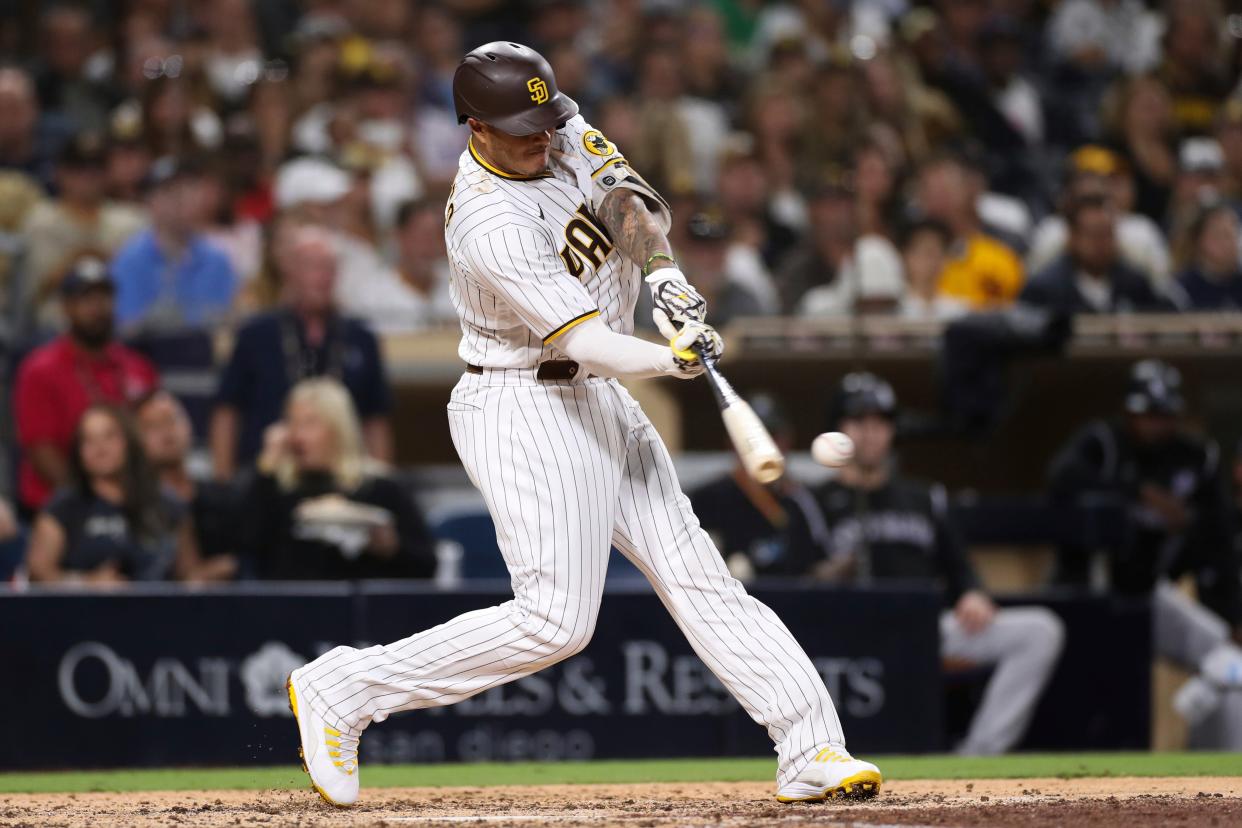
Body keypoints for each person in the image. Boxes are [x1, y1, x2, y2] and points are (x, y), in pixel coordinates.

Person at [286, 42, 881, 808]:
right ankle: (345, 687)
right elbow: (584, 341)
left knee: (698, 574)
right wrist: (671, 359)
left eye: (545, 118)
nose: (542, 136)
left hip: (597, 396)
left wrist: (664, 276)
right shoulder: (485, 219)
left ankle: (809, 747)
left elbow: (627, 202)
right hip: (522, 402)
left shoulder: (557, 129)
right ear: (474, 125)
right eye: (521, 126)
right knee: (556, 622)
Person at [782, 373, 1065, 755]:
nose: (870, 433)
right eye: (858, 422)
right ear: (839, 430)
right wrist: (829, 574)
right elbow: (792, 583)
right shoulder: (811, 501)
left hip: (924, 630)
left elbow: (959, 566)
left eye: (880, 423)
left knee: (1040, 631)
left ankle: (979, 755)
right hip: (847, 638)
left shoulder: (924, 497)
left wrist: (973, 594)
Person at [1048, 360, 1242, 748]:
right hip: (1088, 596)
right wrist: (1142, 492)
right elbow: (1060, 477)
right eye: (1146, 414)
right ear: (1129, 411)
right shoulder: (1104, 442)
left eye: (1163, 414)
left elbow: (1217, 539)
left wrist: (1234, 616)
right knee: (1088, 696)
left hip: (1150, 593)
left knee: (1228, 659)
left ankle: (1214, 772)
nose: (1155, 424)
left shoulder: (1194, 456)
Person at [210, 225, 393, 480]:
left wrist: (379, 478)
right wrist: (223, 481)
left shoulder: (361, 338)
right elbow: (227, 411)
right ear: (290, 270)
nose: (323, 277)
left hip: (344, 476)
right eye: (314, 267)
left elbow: (375, 419)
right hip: (267, 474)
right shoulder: (255, 334)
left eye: (330, 268)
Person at [239, 378, 434, 580]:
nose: (297, 436)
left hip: (365, 607)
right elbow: (243, 550)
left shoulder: (381, 488)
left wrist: (392, 549)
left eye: (309, 423)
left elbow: (427, 565)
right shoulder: (274, 489)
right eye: (292, 423)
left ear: (339, 428)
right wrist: (266, 467)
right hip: (289, 607)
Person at [12, 258, 159, 516]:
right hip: (59, 508)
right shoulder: (40, 369)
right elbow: (41, 451)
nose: (97, 307)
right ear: (67, 308)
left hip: (133, 502)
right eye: (86, 298)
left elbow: (153, 433)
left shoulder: (137, 366)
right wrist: (95, 502)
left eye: (104, 297)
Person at [25, 404, 194, 584]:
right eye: (88, 440)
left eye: (109, 436)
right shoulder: (62, 507)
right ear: (78, 451)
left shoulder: (167, 503)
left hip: (159, 607)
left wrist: (223, 566)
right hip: (84, 609)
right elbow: (38, 573)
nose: (100, 448)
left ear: (129, 441)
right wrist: (85, 583)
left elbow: (190, 576)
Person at [19, 131, 148, 333]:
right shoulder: (42, 221)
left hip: (121, 326)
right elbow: (34, 291)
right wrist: (86, 258)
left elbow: (140, 280)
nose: (88, 177)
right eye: (78, 169)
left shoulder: (132, 220)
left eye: (96, 168)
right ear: (59, 172)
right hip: (57, 328)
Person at [690, 394, 826, 577]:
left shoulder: (802, 498)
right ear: (732, 443)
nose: (763, 447)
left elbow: (820, 566)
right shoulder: (706, 501)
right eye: (751, 438)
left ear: (787, 442)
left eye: (772, 437)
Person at [109, 156, 239, 331]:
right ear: (150, 201)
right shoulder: (130, 261)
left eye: (189, 189)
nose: (182, 200)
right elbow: (124, 332)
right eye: (170, 192)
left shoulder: (218, 260)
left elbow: (229, 323)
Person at [135, 390, 239, 581]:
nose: (167, 432)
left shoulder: (223, 496)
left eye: (172, 420)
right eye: (153, 426)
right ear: (135, 439)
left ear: (189, 425)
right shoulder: (134, 505)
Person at [1020, 195, 1177, 315]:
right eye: (1093, 234)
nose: (1101, 243)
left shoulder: (1136, 285)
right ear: (1072, 237)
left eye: (1108, 234)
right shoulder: (1043, 289)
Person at [915, 154, 1024, 310]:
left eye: (943, 191)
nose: (936, 201)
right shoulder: (912, 245)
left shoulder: (1006, 243)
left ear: (968, 190)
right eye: (928, 192)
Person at [1176, 202, 1242, 310]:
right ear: (1200, 240)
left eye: (1233, 234)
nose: (1230, 242)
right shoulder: (1180, 290)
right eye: (1221, 235)